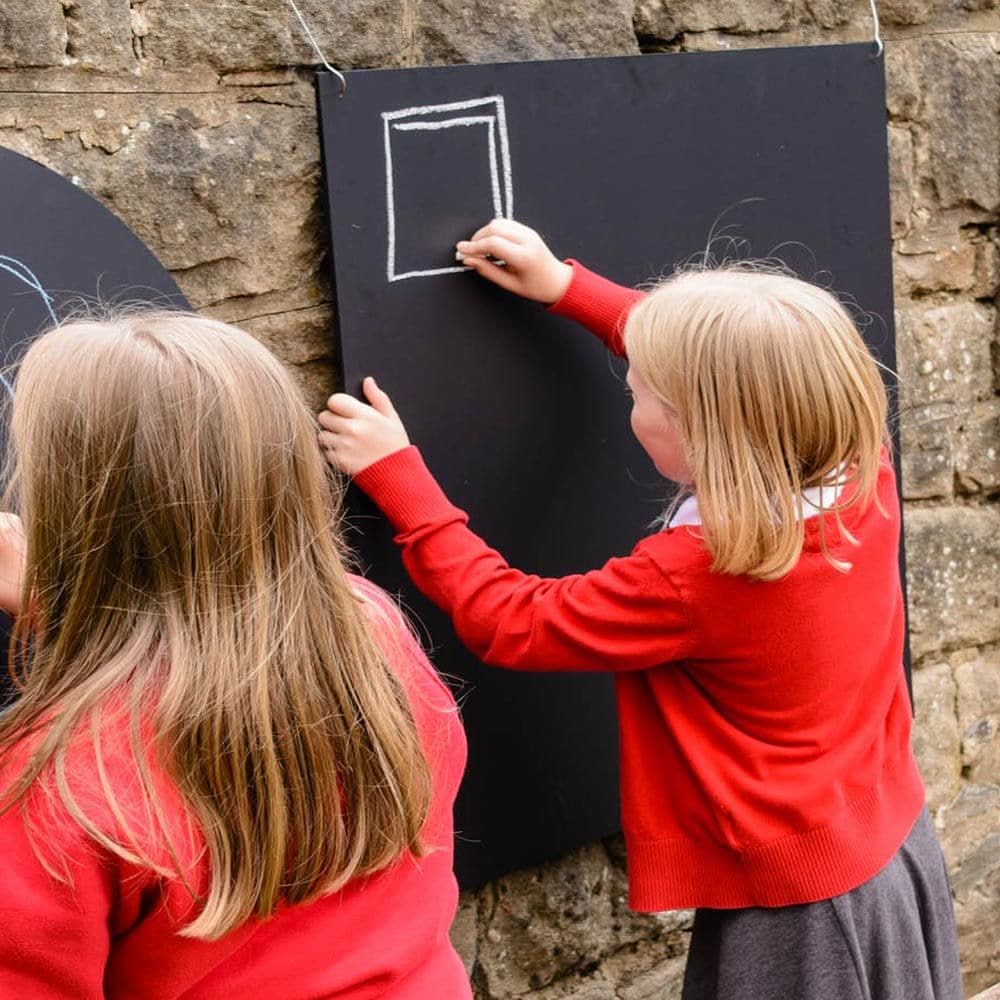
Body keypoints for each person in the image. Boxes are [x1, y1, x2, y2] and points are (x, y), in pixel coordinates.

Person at [318, 219, 964, 1000]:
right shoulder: (863, 471)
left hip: (800, 908)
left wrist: (399, 479)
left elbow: (511, 618)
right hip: (890, 841)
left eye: (639, 394)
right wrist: (569, 290)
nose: (630, 394)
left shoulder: (697, 573)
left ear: (702, 429)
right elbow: (742, 368)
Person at [0, 311, 470, 999]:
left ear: (72, 511)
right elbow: (209, 637)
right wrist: (60, 605)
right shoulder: (366, 624)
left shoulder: (55, 781)